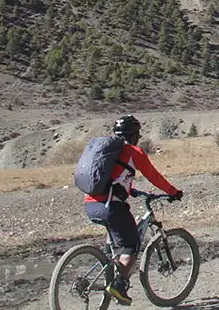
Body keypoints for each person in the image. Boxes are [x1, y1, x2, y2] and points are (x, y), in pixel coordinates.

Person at [84, 115, 183, 305]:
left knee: (113, 243)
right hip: (111, 206)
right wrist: (173, 191)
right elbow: (153, 175)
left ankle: (108, 276)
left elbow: (111, 178)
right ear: (135, 134)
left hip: (91, 204)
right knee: (131, 244)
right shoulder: (133, 152)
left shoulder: (107, 151)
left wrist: (131, 190)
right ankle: (119, 285)